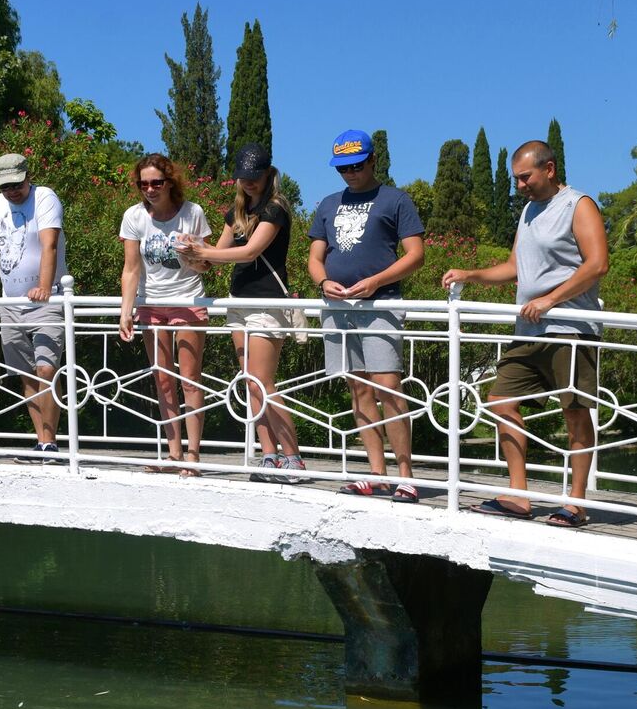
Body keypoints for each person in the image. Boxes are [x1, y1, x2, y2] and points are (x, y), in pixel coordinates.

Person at [442, 140, 607, 527]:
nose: (519, 186)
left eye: (525, 177)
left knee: (576, 412)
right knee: (500, 400)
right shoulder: (530, 211)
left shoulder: (578, 205)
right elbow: (516, 266)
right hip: (529, 327)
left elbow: (598, 264)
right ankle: (519, 495)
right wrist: (471, 274)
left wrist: (551, 299)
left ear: (549, 169)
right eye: (516, 179)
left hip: (571, 329)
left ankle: (576, 502)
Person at [306, 129, 426, 501]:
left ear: (374, 161)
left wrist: (375, 282)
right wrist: (323, 282)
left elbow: (415, 255)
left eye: (357, 165)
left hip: (381, 304)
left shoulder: (396, 199)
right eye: (343, 168)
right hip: (337, 306)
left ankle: (406, 475)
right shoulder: (327, 204)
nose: (351, 173)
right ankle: (377, 473)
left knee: (387, 385)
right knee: (357, 388)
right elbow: (314, 257)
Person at [182, 143, 307, 483]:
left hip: (267, 303)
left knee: (264, 382)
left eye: (254, 177)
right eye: (243, 178)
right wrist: (190, 254)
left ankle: (293, 457)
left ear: (269, 174)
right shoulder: (235, 213)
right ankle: (269, 456)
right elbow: (213, 260)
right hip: (238, 301)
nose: (248, 183)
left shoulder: (275, 209)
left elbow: (250, 252)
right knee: (252, 384)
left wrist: (203, 250)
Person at [0, 153, 68, 462]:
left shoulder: (45, 198)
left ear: (27, 176)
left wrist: (45, 287)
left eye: (16, 184)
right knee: (26, 376)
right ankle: (42, 442)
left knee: (47, 369)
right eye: (5, 186)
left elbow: (49, 244)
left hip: (45, 300)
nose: (11, 191)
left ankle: (50, 444)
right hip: (11, 304)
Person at [119, 154, 213, 475]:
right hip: (151, 304)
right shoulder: (134, 216)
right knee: (162, 378)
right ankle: (173, 454)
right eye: (143, 183)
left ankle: (193, 455)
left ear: (170, 181)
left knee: (189, 378)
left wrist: (194, 253)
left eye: (156, 182)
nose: (150, 189)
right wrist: (126, 311)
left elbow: (206, 265)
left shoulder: (192, 213)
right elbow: (131, 269)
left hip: (187, 300)